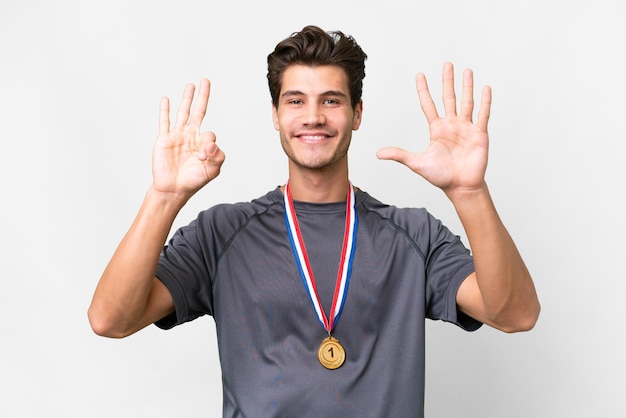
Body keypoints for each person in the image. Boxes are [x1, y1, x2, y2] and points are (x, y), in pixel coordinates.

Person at [88, 25, 540, 417]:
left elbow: (516, 314)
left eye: (331, 100)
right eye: (295, 100)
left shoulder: (414, 235)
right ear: (275, 115)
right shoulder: (221, 234)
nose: (313, 117)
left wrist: (470, 193)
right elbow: (111, 318)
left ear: (357, 113)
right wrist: (164, 197)